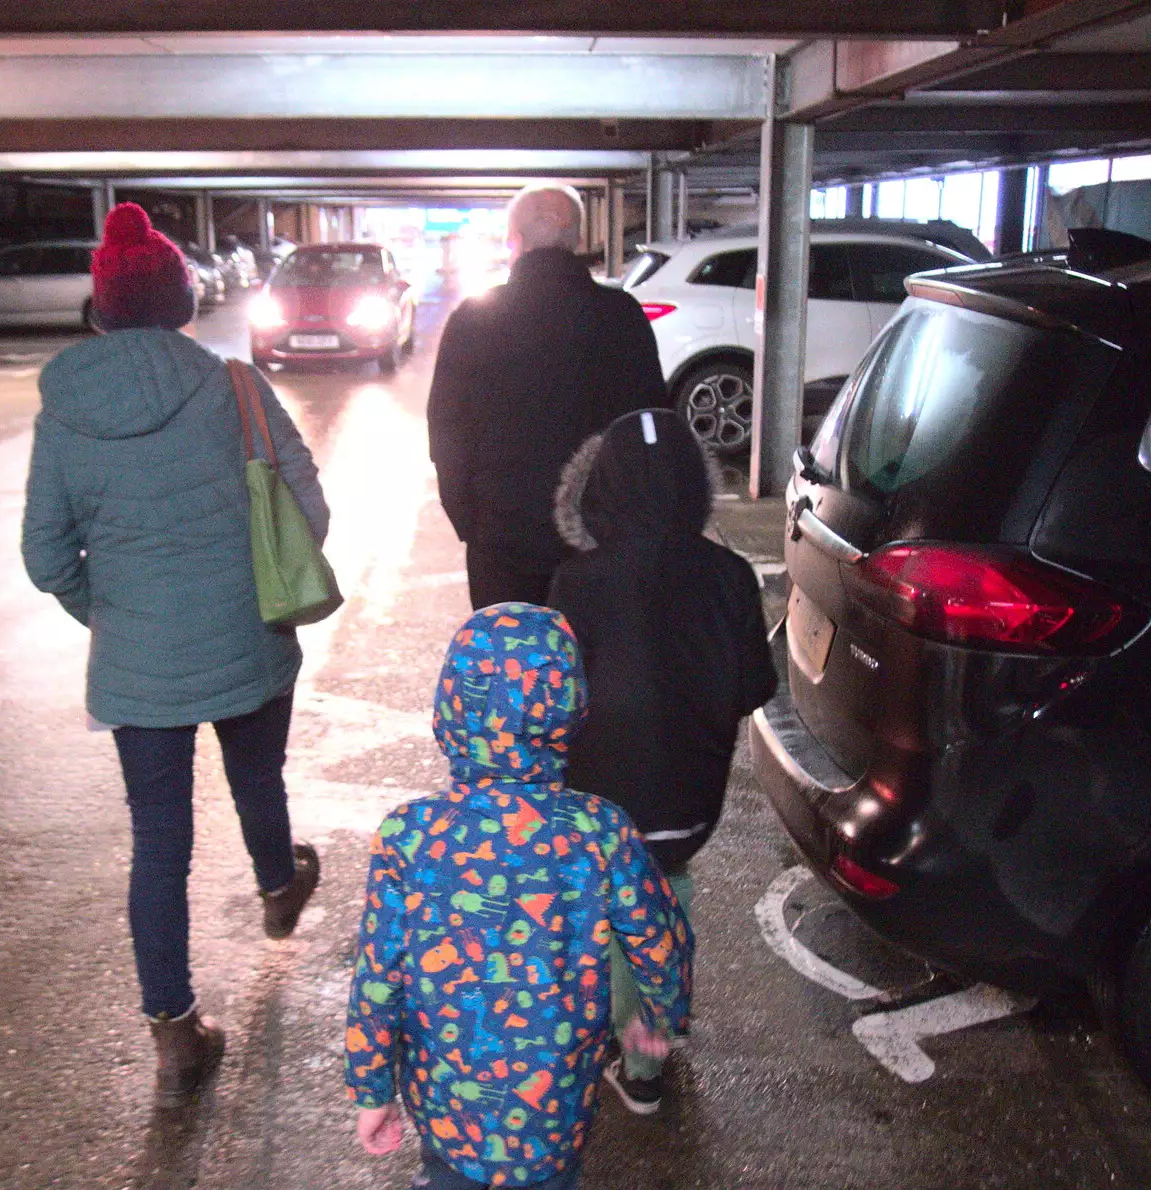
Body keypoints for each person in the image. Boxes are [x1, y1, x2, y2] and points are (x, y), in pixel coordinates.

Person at [21, 202, 326, 1107]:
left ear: (102, 308)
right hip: (247, 638)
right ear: (182, 302)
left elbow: (45, 557)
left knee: (159, 844)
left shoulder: (64, 411)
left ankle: (174, 1035)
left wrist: (113, 612)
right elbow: (307, 511)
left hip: (136, 666)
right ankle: (279, 885)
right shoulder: (235, 387)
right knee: (257, 779)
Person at [345, 603, 692, 1189]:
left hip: (446, 1102)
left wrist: (372, 1088)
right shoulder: (600, 831)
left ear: (450, 705)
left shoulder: (409, 835)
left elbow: (378, 973)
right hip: (554, 1107)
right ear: (570, 706)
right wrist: (658, 1017)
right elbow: (659, 940)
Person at [548, 408, 778, 1115]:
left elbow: (555, 699)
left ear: (598, 491)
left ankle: (638, 1050)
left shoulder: (574, 582)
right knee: (666, 891)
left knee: (617, 907)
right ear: (693, 489)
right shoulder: (731, 575)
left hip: (600, 800)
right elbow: (755, 687)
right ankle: (659, 1016)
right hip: (690, 801)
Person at [428, 184, 668, 610]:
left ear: (513, 240)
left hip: (502, 544)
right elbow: (652, 428)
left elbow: (446, 430)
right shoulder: (622, 316)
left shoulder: (473, 319)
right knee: (594, 666)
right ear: (576, 240)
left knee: (515, 667)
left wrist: (471, 524)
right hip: (599, 540)